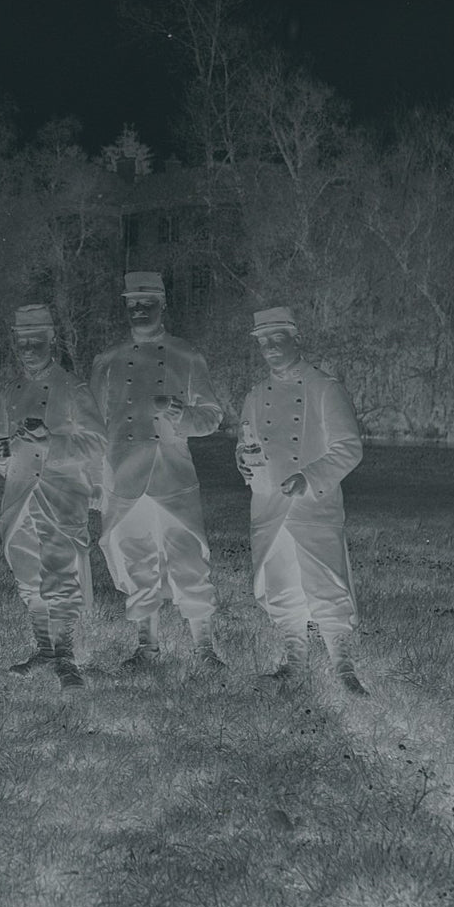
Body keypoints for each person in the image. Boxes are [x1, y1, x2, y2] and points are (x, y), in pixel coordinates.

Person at [90, 271, 226, 671]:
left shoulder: (186, 356)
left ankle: (204, 649)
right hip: (123, 478)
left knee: (188, 560)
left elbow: (213, 417)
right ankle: (146, 647)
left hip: (173, 477)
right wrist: (96, 483)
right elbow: (93, 428)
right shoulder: (107, 362)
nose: (139, 309)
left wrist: (184, 415)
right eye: (132, 302)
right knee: (137, 561)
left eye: (147, 302)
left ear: (163, 304)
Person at [236, 307, 368, 695]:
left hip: (314, 506)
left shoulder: (325, 388)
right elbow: (245, 447)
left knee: (326, 585)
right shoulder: (255, 395)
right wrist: (245, 464)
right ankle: (294, 661)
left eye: (277, 339)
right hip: (268, 507)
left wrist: (308, 477)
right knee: (281, 587)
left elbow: (349, 449)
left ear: (296, 338)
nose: (271, 348)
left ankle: (344, 668)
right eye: (263, 342)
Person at [0, 304, 107, 690]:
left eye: (35, 340)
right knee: (27, 573)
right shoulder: (9, 391)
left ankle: (65, 656)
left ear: (51, 340)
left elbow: (95, 442)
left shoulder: (73, 387)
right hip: (19, 495)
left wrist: (50, 441)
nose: (27, 348)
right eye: (22, 341)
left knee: (59, 575)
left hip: (61, 495)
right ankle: (43, 648)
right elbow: (1, 439)